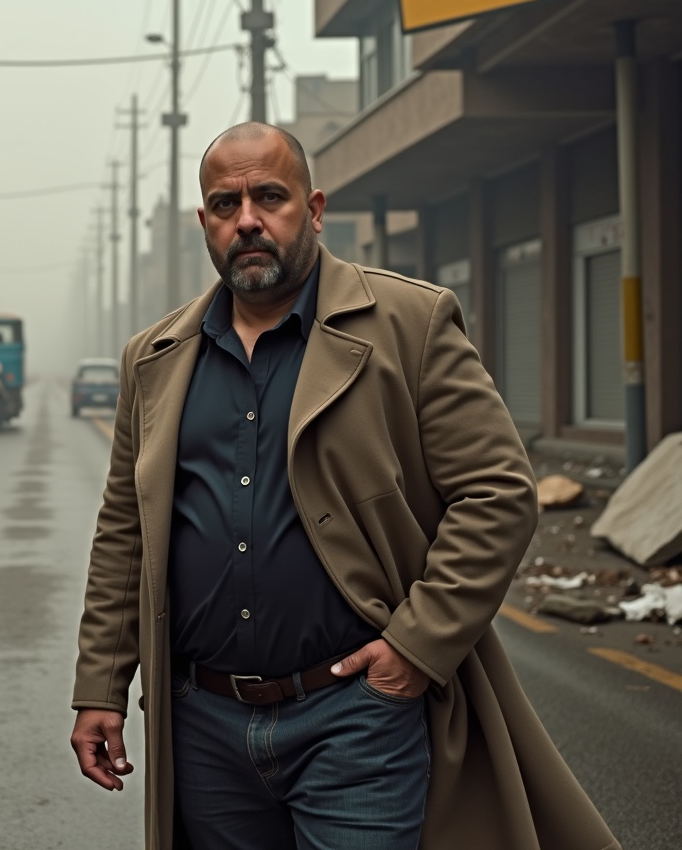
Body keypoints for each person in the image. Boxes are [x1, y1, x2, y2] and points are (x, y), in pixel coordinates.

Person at [69, 122, 618, 850]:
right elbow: (125, 532)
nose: (249, 221)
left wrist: (415, 649)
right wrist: (101, 687)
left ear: (315, 207)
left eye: (270, 197)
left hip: (354, 719)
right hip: (202, 725)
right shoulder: (155, 358)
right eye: (226, 205)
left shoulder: (409, 324)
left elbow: (498, 492)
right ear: (205, 223)